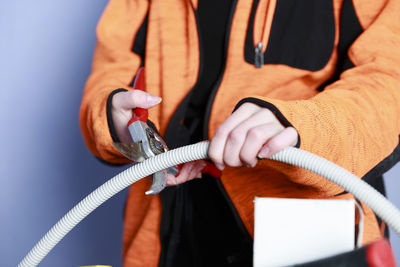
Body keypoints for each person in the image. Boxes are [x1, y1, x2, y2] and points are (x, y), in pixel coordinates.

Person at [80, 0, 400, 266]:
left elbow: (388, 85)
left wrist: (297, 125)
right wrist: (112, 118)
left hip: (305, 234)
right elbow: (108, 78)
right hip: (168, 236)